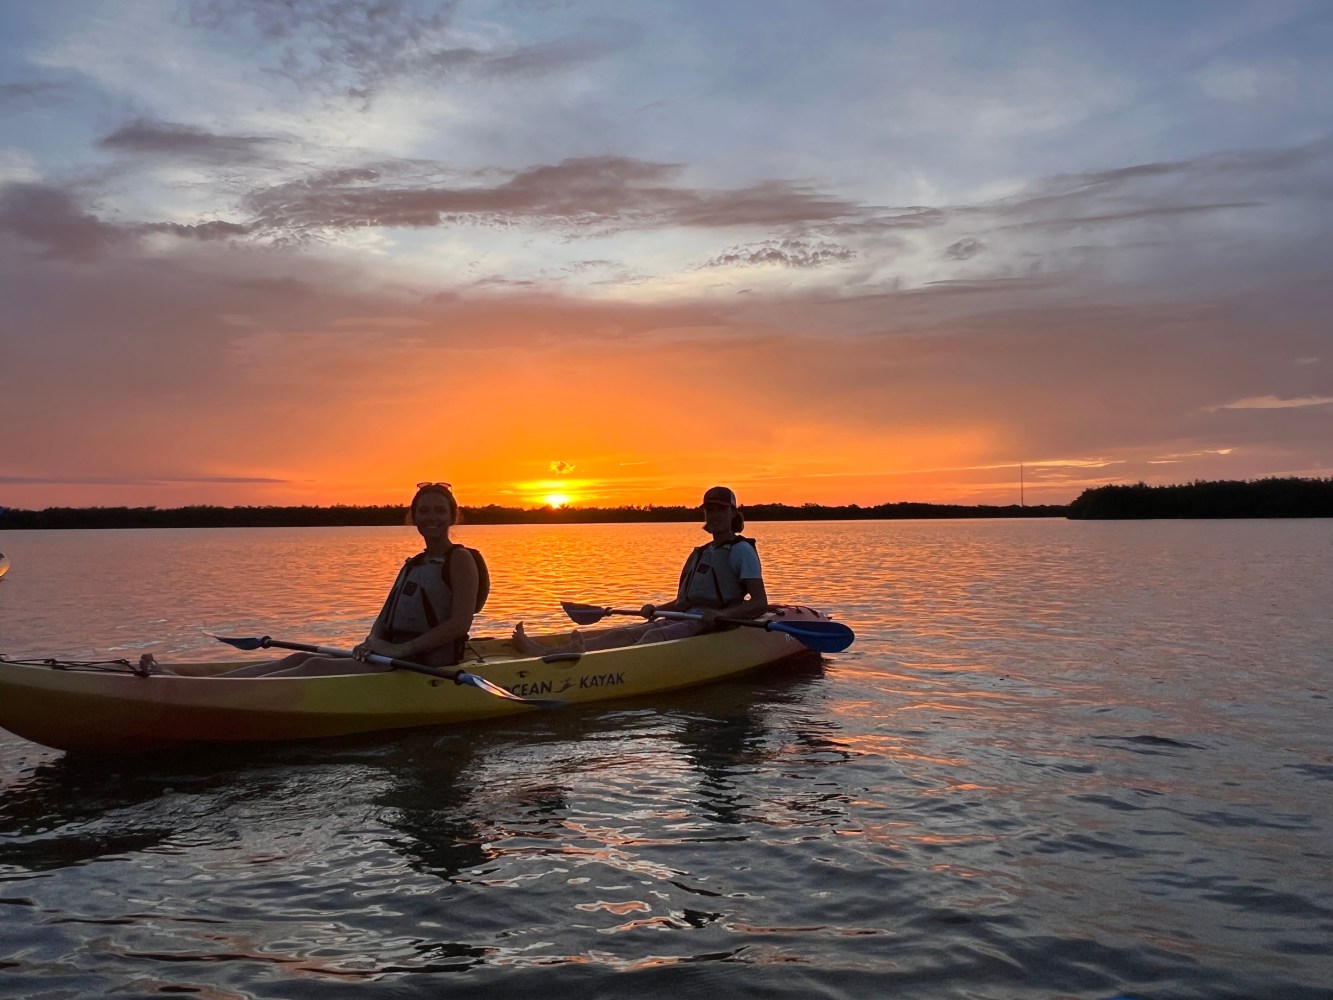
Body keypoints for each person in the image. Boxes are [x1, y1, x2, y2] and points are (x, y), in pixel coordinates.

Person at [221, 482, 482, 677]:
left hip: (429, 662)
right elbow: (384, 618)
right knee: (299, 658)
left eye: (439, 511)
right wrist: (372, 642)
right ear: (414, 516)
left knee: (316, 665)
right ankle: (204, 683)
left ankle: (221, 695)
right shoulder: (414, 563)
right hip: (397, 655)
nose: (431, 518)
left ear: (452, 516)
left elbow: (460, 623)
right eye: (424, 511)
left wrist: (400, 650)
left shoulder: (459, 559)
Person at [511, 485, 767, 655]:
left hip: (712, 624)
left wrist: (722, 614)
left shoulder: (741, 550)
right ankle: (543, 653)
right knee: (621, 633)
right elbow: (684, 602)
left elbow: (759, 602)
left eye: (720, 509)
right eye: (709, 510)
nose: (714, 516)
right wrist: (657, 609)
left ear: (733, 512)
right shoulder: (703, 552)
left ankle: (590, 664)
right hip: (687, 618)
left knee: (652, 636)